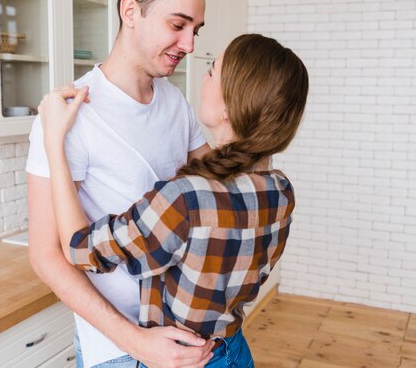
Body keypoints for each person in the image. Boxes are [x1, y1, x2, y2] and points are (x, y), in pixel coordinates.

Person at [38, 33, 309, 367]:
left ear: (228, 107)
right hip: (232, 352)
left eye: (211, 70)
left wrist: (53, 140)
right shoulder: (281, 190)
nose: (196, 61)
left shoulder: (186, 198)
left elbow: (79, 247)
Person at [26, 0, 213, 367]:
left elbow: (219, 194)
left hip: (188, 335)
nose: (190, 45)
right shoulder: (69, 114)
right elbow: (45, 255)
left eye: (195, 30)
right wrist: (136, 342)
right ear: (131, 11)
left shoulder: (175, 102)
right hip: (119, 353)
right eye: (178, 25)